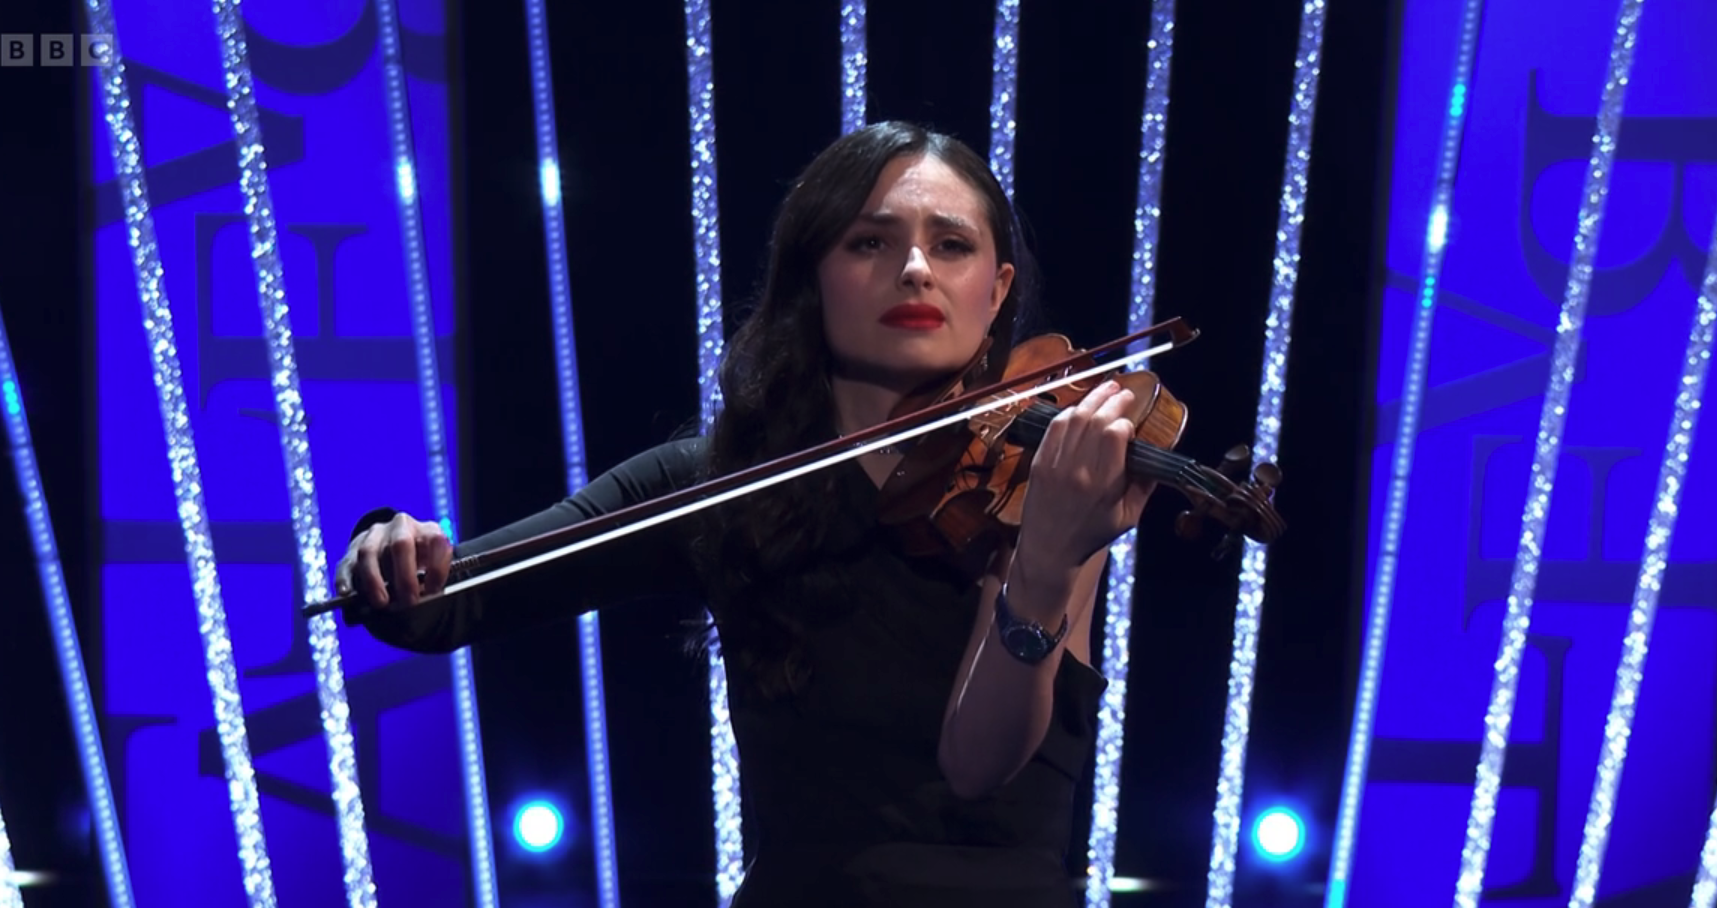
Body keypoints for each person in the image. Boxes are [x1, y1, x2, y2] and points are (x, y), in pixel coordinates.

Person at [334, 120, 1158, 907]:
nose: (914, 269)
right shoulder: (716, 483)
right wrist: (391, 542)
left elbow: (978, 765)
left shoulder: (1043, 487)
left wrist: (1045, 562)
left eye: (951, 245)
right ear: (812, 278)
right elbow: (447, 603)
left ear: (995, 289)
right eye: (869, 241)